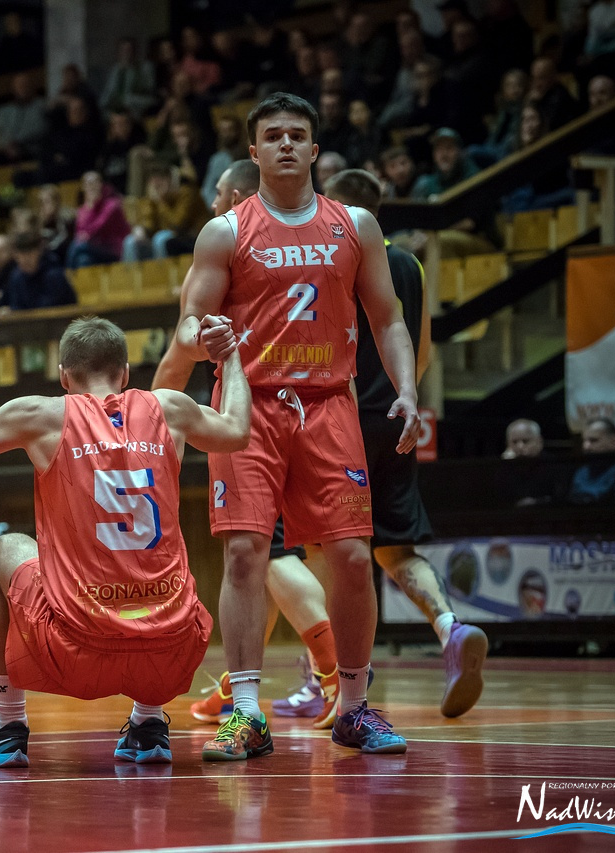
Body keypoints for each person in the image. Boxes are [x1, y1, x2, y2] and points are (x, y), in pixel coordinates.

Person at [154, 93, 421, 758]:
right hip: (248, 406)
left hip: (330, 403)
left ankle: (354, 707)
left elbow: (388, 317)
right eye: (272, 135)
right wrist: (201, 336)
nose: (285, 144)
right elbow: (187, 324)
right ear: (254, 151)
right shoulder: (225, 232)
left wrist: (410, 391)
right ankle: (246, 713)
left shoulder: (354, 225)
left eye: (296, 135)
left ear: (315, 149)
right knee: (246, 554)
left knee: (353, 558)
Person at [0, 316, 250, 766]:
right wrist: (230, 356)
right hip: (170, 654)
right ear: (125, 373)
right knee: (162, 583)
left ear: (63, 376)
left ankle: (8, 726)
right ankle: (149, 723)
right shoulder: (171, 408)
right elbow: (237, 429)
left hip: (75, 653)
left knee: (4, 549)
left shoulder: (41, 415)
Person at [164, 158, 343, 730]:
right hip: (311, 408)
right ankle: (237, 690)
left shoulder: (240, 242)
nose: (214, 204)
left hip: (284, 412)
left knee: (274, 554)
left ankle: (333, 672)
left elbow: (178, 352)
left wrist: (149, 411)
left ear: (241, 195)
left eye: (220, 193)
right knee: (254, 557)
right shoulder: (235, 251)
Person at [324, 169, 488, 717]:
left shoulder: (336, 254)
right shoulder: (410, 264)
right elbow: (422, 349)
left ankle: (338, 677)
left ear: (342, 207)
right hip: (398, 413)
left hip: (342, 418)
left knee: (328, 550)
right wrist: (406, 398)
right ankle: (451, 628)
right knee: (395, 549)